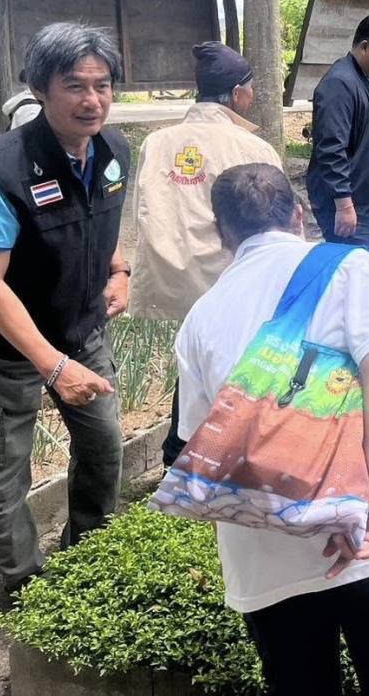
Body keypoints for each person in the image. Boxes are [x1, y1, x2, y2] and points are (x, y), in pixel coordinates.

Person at [175, 164, 369, 695]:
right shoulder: (349, 267)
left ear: (222, 234)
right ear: (299, 216)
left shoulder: (200, 319)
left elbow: (199, 438)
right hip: (365, 531)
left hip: (262, 553)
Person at [0, 23, 130, 595]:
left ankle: (90, 557)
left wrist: (118, 270)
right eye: (75, 86)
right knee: (3, 470)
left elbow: (104, 219)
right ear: (39, 89)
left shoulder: (113, 151)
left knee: (104, 444)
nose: (92, 100)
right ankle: (26, 588)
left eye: (102, 85)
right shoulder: (1, 171)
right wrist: (52, 364)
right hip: (6, 349)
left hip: (81, 331)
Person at [128, 41, 282, 467]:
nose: (251, 98)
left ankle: (181, 451)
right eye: (250, 89)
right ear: (236, 94)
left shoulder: (156, 143)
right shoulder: (251, 149)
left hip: (174, 276)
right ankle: (207, 454)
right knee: (236, 366)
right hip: (231, 278)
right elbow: (274, 220)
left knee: (195, 359)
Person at [307, 14, 369, 253]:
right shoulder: (340, 84)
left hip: (367, 200)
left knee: (362, 269)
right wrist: (344, 203)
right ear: (365, 47)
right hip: (351, 204)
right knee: (352, 275)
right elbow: (331, 148)